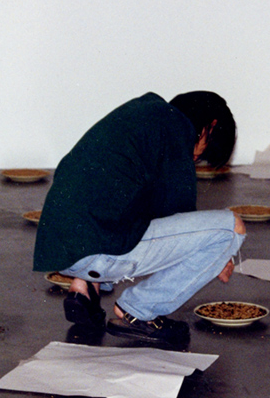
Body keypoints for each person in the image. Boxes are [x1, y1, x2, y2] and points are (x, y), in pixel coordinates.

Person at [33, 91, 245, 348]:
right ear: (210, 125)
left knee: (122, 209)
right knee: (230, 228)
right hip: (94, 249)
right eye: (201, 154)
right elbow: (180, 221)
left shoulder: (143, 115)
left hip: (59, 248)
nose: (196, 159)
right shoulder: (176, 128)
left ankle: (85, 287)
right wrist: (220, 256)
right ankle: (139, 311)